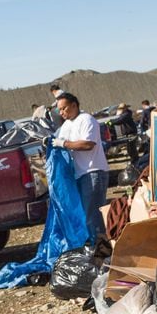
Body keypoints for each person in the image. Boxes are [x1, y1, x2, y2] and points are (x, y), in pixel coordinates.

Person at [51, 91, 111, 245]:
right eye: (60, 110)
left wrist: (64, 144)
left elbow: (88, 144)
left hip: (93, 173)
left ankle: (103, 256)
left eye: (64, 108)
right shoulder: (67, 125)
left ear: (74, 105)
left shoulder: (86, 120)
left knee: (94, 218)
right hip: (79, 175)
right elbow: (57, 139)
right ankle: (94, 252)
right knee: (85, 217)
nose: (62, 112)